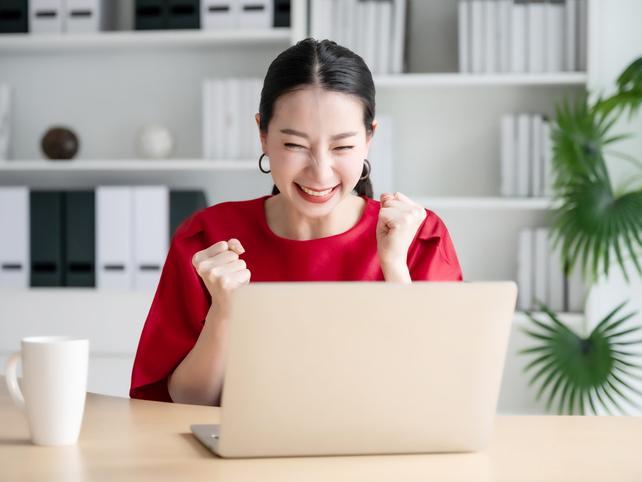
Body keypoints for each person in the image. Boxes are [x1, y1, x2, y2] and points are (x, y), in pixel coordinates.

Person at [130, 38, 463, 405]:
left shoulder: (417, 236)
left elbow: (441, 393)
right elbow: (182, 403)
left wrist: (395, 272)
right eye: (294, 146)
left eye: (342, 147)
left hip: (379, 457)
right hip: (242, 458)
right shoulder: (208, 239)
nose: (320, 172)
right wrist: (224, 313)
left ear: (370, 139)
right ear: (263, 134)